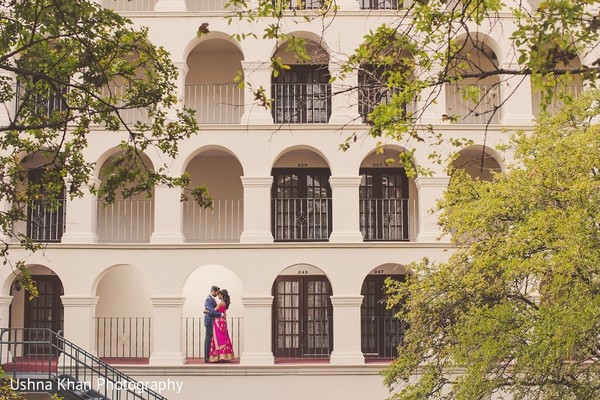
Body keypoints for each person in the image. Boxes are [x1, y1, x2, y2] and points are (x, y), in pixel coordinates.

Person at [208, 289, 234, 362]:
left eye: (219, 294)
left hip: (218, 321)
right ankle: (225, 356)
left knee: (218, 338)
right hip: (223, 322)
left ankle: (218, 357)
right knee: (224, 338)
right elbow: (224, 314)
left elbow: (213, 311)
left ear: (222, 295)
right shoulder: (225, 303)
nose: (218, 295)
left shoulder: (220, 303)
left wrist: (206, 310)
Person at [204, 285, 224, 363]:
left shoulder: (211, 299)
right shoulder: (209, 299)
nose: (217, 294)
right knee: (208, 338)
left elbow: (211, 311)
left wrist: (206, 311)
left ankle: (209, 356)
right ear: (213, 291)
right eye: (217, 292)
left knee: (210, 338)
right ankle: (206, 357)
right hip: (209, 321)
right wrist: (221, 314)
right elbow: (212, 312)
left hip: (211, 320)